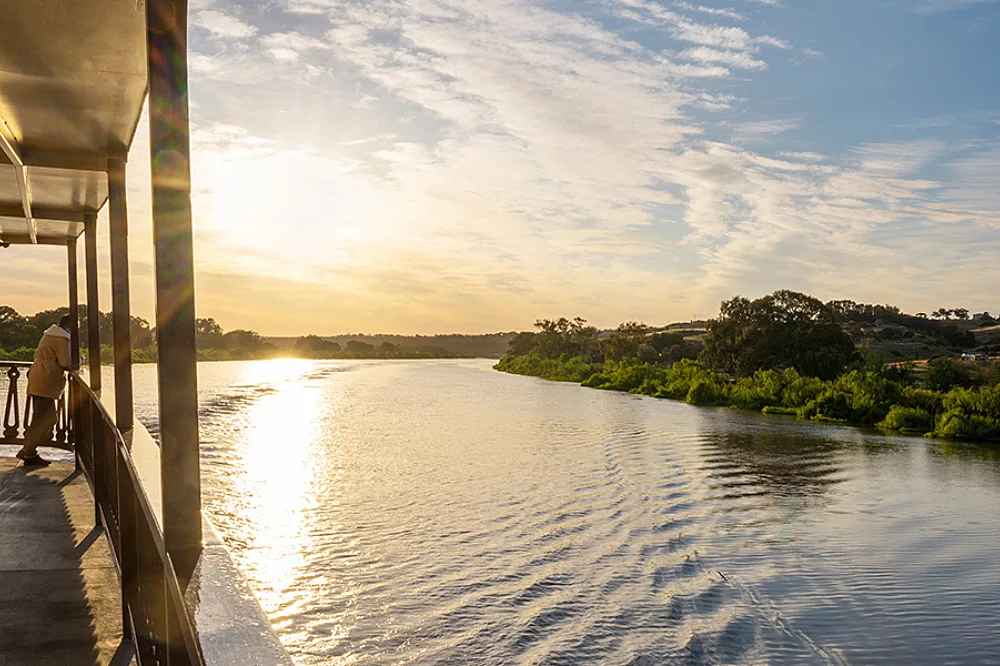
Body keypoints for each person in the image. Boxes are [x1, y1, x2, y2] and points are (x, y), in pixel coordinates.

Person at [16, 314, 73, 467]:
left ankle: (28, 451)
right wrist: (80, 359)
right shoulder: (61, 338)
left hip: (40, 378)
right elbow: (66, 362)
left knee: (41, 417)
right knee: (47, 419)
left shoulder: (51, 334)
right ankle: (28, 452)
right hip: (45, 381)